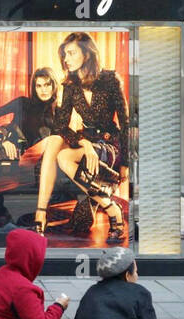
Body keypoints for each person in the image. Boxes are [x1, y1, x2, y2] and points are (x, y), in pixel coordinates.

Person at [31, 32, 129, 242]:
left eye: (71, 53)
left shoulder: (110, 79)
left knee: (64, 157)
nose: (66, 59)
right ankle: (43, 210)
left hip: (110, 144)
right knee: (56, 140)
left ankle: (109, 208)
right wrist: (84, 143)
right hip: (88, 143)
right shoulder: (70, 86)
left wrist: (126, 163)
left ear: (86, 54)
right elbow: (59, 127)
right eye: (64, 54)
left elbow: (125, 123)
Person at [0, 67, 63, 159]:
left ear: (54, 86)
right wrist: (1, 138)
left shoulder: (59, 112)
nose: (43, 90)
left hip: (39, 161)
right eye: (39, 86)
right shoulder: (22, 103)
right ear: (34, 88)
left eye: (47, 85)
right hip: (10, 158)